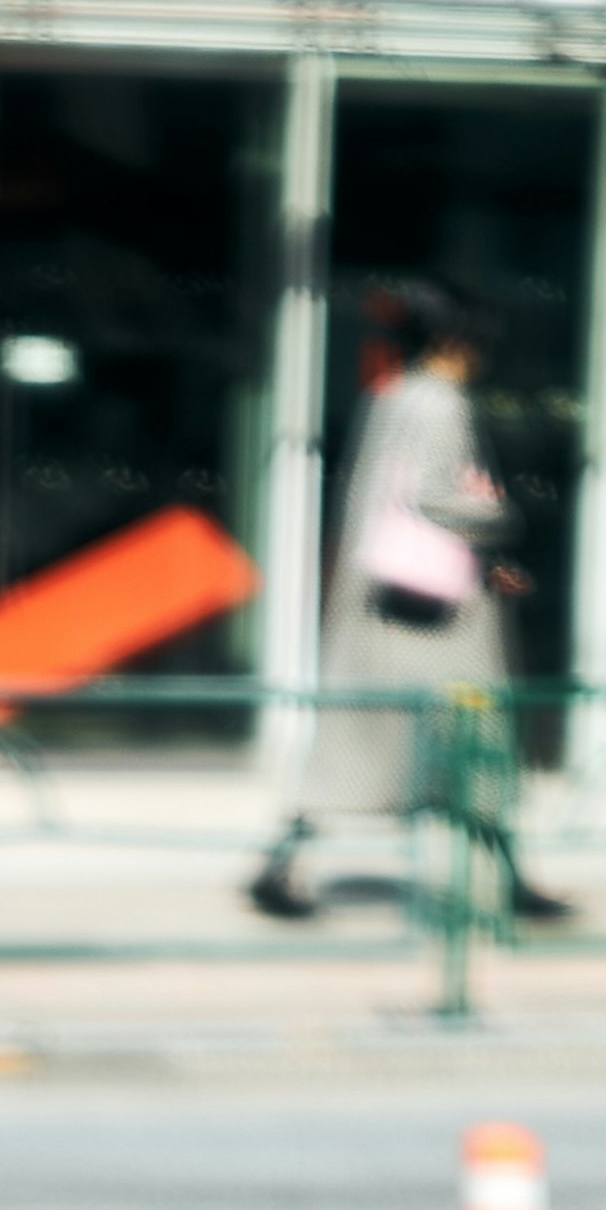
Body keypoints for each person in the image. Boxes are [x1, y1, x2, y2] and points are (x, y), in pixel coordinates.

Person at [252, 285, 570, 926]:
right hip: (436, 621)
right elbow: (436, 497)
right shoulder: (441, 404)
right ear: (457, 341)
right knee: (472, 744)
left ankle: (285, 863)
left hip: (386, 607)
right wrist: (498, 515)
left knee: (362, 746)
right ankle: (511, 881)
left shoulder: (392, 397)